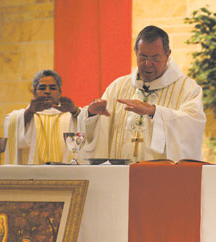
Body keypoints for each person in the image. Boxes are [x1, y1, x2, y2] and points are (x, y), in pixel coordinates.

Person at [79, 26, 206, 162]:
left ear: (167, 54)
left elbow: (192, 128)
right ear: (136, 52)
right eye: (143, 57)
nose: (148, 63)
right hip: (120, 175)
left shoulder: (187, 89)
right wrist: (92, 115)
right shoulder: (118, 87)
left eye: (155, 58)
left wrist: (155, 112)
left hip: (162, 177)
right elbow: (96, 134)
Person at [4, 69, 81, 164]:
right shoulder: (26, 115)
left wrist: (74, 110)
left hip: (65, 174)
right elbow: (11, 122)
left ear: (60, 92)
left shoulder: (71, 115)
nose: (47, 91)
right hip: (32, 175)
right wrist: (29, 112)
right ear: (34, 93)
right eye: (42, 88)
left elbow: (87, 125)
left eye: (52, 88)